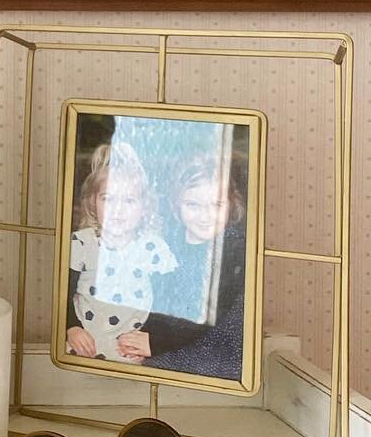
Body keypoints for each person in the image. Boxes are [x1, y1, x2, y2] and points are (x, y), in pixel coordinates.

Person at [115, 151, 249, 382]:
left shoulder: (233, 248)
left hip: (215, 352)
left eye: (216, 204)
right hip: (171, 338)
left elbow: (208, 310)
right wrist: (142, 335)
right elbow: (157, 299)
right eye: (192, 204)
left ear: (232, 202)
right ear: (176, 205)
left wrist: (156, 343)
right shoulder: (170, 243)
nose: (205, 216)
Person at [64, 140, 178, 362]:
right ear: (91, 203)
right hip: (84, 345)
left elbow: (168, 301)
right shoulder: (82, 243)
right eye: (108, 199)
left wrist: (150, 335)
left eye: (129, 200)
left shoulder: (153, 247)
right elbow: (62, 294)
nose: (118, 210)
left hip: (132, 349)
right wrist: (71, 328)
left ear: (145, 208)